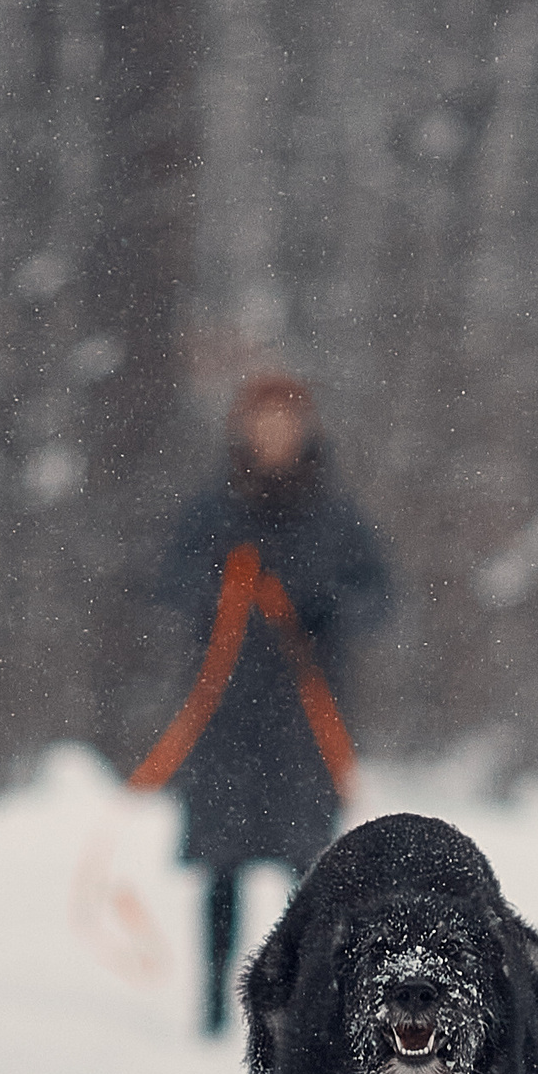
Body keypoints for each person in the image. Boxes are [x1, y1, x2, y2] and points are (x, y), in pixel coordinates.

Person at [153, 373, 392, 1036]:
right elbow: (169, 583)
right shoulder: (211, 512)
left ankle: (304, 1008)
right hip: (225, 718)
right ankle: (211, 1006)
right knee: (221, 869)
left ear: (306, 428)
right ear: (243, 429)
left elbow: (381, 597)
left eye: (287, 420)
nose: (275, 433)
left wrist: (333, 612)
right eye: (264, 420)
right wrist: (218, 591)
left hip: (305, 725)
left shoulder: (338, 516)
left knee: (311, 876)